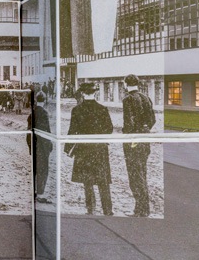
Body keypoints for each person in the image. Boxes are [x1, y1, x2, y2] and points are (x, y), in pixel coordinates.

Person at [65, 82, 113, 215]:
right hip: (100, 149)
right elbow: (109, 129)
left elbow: (72, 130)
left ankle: (90, 209)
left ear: (82, 93)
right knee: (103, 181)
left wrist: (68, 148)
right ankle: (108, 210)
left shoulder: (77, 110)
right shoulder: (103, 109)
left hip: (83, 149)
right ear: (95, 93)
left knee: (88, 181)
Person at [122, 74, 156, 217]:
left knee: (135, 176)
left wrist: (128, 135)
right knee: (142, 173)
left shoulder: (128, 99)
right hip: (145, 139)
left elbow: (128, 123)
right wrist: (144, 129)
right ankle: (143, 209)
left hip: (133, 141)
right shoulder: (146, 98)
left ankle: (140, 209)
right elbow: (152, 120)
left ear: (125, 84)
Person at [32, 91, 53, 203]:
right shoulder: (44, 113)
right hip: (42, 146)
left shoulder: (32, 112)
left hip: (34, 144)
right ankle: (40, 192)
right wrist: (49, 144)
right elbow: (47, 131)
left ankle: (33, 191)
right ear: (44, 101)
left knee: (34, 168)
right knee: (43, 169)